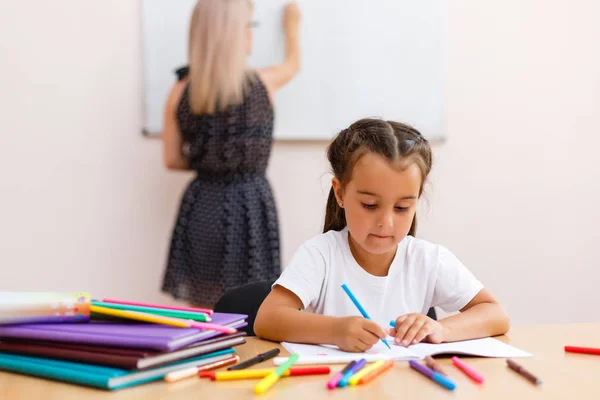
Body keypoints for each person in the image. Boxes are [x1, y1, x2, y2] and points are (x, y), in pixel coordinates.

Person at [254, 118, 510, 352]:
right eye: (369, 205)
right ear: (340, 193)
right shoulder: (321, 254)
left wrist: (441, 329)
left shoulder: (429, 259)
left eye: (401, 208)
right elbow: (267, 318)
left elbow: (494, 313)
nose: (385, 223)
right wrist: (335, 331)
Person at [161, 0, 301, 308]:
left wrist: (208, 161)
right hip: (251, 204)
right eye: (250, 26)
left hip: (202, 204)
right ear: (238, 33)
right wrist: (292, 26)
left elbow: (172, 159)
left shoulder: (181, 90)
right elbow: (293, 64)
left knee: (205, 309)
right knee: (253, 305)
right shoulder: (263, 83)